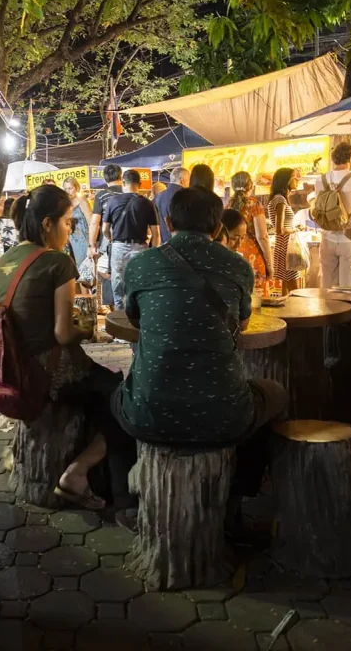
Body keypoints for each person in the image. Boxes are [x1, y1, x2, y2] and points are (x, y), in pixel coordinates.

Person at [113, 187, 287, 513]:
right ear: (219, 227)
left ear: (168, 221)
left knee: (116, 397)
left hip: (150, 413)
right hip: (224, 416)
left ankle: (125, 501)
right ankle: (239, 499)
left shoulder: (140, 265)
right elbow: (244, 325)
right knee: (275, 394)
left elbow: (135, 320)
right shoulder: (238, 267)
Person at [0, 185, 134, 509]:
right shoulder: (57, 262)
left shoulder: (5, 260)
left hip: (12, 367)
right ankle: (84, 475)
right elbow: (61, 333)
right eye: (68, 221)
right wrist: (84, 330)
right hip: (51, 373)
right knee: (122, 395)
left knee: (103, 388)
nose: (70, 229)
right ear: (47, 224)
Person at [102, 169, 160, 311]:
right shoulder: (147, 203)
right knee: (140, 284)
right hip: (140, 248)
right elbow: (156, 233)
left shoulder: (112, 201)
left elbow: (104, 229)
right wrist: (152, 252)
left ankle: (120, 321)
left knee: (118, 287)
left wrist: (112, 240)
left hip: (119, 247)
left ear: (123, 182)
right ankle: (138, 320)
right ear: (139, 184)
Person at [314, 141, 351, 288]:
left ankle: (328, 311)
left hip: (326, 236)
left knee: (327, 285)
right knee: (347, 287)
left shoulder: (320, 180)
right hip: (349, 238)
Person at [228, 171, 273, 282]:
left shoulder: (228, 205)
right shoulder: (254, 204)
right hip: (252, 257)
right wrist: (270, 265)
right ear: (250, 186)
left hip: (232, 256)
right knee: (257, 296)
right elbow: (262, 237)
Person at [88, 164, 122, 309]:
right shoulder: (130, 192)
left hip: (107, 242)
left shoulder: (101, 196)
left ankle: (113, 309)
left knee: (104, 271)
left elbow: (95, 222)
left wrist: (91, 244)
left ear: (105, 178)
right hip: (130, 240)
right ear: (121, 176)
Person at [267, 168, 300, 294]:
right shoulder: (280, 200)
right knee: (294, 288)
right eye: (294, 177)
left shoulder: (278, 199)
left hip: (282, 246)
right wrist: (294, 230)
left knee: (285, 287)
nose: (296, 180)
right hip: (286, 247)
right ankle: (297, 311)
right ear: (286, 180)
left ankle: (286, 311)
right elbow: (279, 229)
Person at [153, 166, 190, 244]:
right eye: (188, 181)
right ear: (182, 181)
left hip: (161, 245)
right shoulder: (184, 197)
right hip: (179, 245)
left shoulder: (158, 196)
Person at [62, 176, 92, 269]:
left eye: (70, 188)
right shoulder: (65, 204)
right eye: (66, 189)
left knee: (83, 267)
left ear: (76, 188)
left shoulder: (82, 201)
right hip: (70, 239)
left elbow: (90, 221)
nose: (68, 191)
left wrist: (92, 243)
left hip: (83, 238)